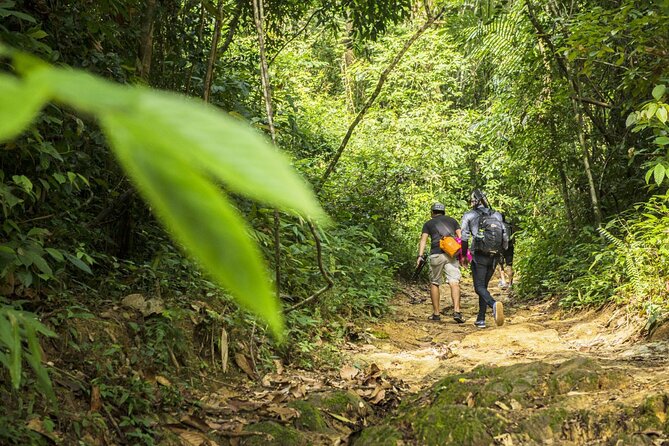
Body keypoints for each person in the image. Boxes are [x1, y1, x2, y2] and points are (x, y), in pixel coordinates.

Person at [460, 190, 507, 328]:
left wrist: (464, 255)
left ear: (474, 201)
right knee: (483, 287)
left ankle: (493, 304)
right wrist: (500, 255)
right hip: (494, 256)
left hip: (479, 255)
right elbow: (505, 238)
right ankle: (481, 319)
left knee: (479, 287)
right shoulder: (497, 214)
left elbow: (464, 237)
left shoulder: (469, 215)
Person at [417, 202, 464, 323]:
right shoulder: (453, 221)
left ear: (432, 212)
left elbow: (423, 240)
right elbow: (461, 237)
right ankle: (457, 311)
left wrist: (420, 256)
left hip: (436, 254)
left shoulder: (428, 223)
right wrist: (463, 254)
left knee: (435, 283)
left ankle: (436, 314)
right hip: (451, 254)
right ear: (444, 211)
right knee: (454, 282)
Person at [497, 214, 515, 290]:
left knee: (500, 264)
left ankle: (503, 281)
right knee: (509, 265)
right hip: (510, 247)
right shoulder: (509, 225)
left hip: (500, 247)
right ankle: (510, 283)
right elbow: (513, 238)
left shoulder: (497, 226)